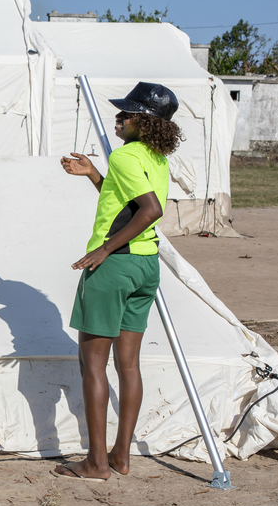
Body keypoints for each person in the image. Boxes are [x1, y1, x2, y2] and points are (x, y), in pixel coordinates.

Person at [52, 82, 182, 482]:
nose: (118, 118)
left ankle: (96, 463)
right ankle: (121, 456)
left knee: (92, 364)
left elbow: (150, 210)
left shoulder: (127, 156)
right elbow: (125, 206)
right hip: (146, 266)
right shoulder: (155, 158)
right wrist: (94, 174)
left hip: (116, 267)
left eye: (126, 113)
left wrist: (104, 250)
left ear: (144, 121)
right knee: (129, 365)